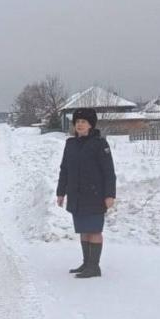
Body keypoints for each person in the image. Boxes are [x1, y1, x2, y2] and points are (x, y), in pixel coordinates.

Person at [56, 108, 116, 278]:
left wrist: (109, 194)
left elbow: (109, 172)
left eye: (83, 122)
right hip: (76, 195)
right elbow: (64, 169)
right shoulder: (70, 144)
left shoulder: (100, 144)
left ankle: (94, 266)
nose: (79, 124)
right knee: (83, 229)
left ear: (91, 125)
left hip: (95, 194)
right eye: (77, 122)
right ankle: (86, 263)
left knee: (95, 230)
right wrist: (61, 192)